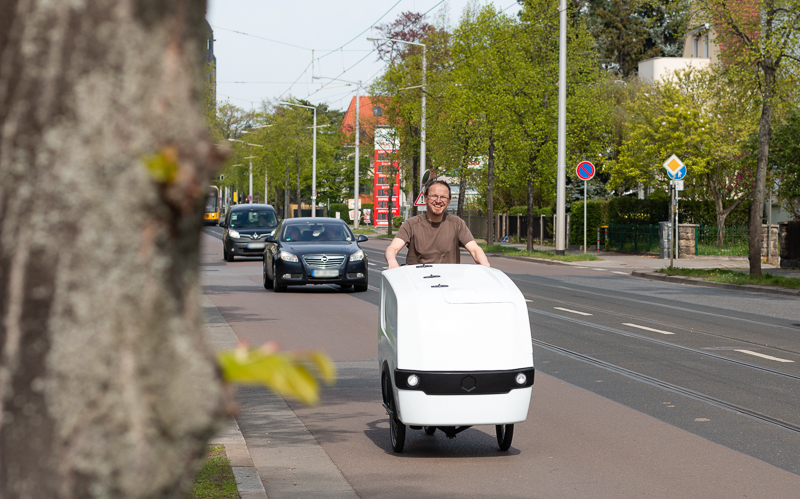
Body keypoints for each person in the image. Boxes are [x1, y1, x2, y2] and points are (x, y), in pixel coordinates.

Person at [385, 180, 490, 269]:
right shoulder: (411, 224)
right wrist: (392, 262)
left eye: (443, 197)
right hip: (418, 282)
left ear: (449, 201)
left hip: (449, 282)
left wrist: (485, 265)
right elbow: (392, 248)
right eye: (434, 196)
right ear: (425, 198)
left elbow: (474, 249)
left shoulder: (457, 224)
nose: (438, 201)